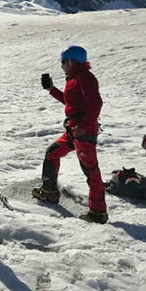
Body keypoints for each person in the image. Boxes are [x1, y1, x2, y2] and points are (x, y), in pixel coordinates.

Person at [32, 45, 107, 224]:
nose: (61, 65)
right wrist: (51, 89)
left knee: (91, 171)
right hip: (74, 130)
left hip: (83, 132)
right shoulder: (75, 78)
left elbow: (96, 104)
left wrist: (83, 126)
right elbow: (71, 103)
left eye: (63, 61)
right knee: (52, 153)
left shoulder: (85, 78)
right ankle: (49, 192)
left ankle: (98, 213)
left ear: (72, 61)